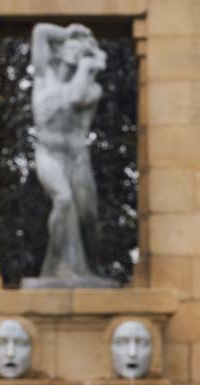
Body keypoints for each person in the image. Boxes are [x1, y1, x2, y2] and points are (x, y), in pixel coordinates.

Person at [25, 22, 116, 287]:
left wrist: (88, 65)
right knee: (63, 200)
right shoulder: (43, 75)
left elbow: (74, 98)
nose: (76, 50)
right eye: (71, 46)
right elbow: (40, 31)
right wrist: (72, 34)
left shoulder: (91, 88)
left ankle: (88, 269)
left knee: (86, 216)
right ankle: (57, 268)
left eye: (83, 49)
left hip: (76, 156)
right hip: (49, 152)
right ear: (60, 49)